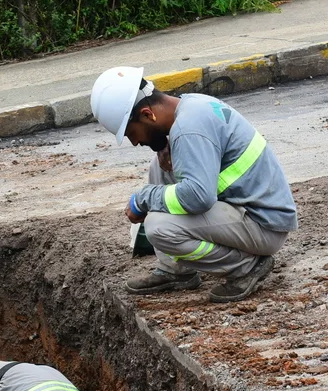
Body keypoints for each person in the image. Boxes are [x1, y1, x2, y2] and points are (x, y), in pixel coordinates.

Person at [90, 66, 299, 303]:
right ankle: (175, 271)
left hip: (264, 226)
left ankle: (246, 266)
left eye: (131, 133)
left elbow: (198, 197)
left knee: (159, 228)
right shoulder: (191, 106)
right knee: (159, 165)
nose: (135, 141)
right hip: (253, 209)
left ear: (148, 115)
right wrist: (168, 147)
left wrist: (144, 198)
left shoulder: (189, 130)